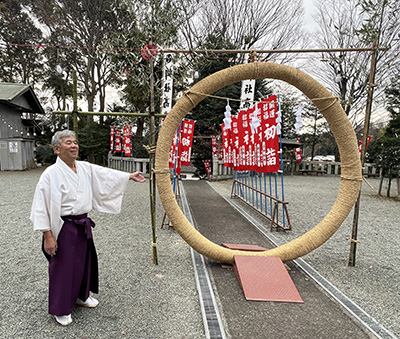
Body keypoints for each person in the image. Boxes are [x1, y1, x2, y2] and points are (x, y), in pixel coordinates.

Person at [30, 130, 146, 326]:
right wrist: (48, 236)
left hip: (82, 224)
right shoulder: (50, 174)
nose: (74, 145)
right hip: (64, 226)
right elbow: (40, 206)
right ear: (57, 149)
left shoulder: (84, 168)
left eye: (75, 142)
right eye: (68, 143)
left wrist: (128, 176)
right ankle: (60, 308)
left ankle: (81, 297)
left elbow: (105, 174)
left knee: (84, 263)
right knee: (63, 267)